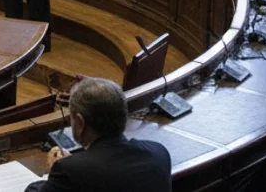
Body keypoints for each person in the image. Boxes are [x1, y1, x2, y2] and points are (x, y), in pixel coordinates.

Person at [24, 78, 171, 192]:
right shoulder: (159, 153)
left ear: (80, 122)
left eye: (72, 118)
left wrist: (53, 173)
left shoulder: (70, 171)